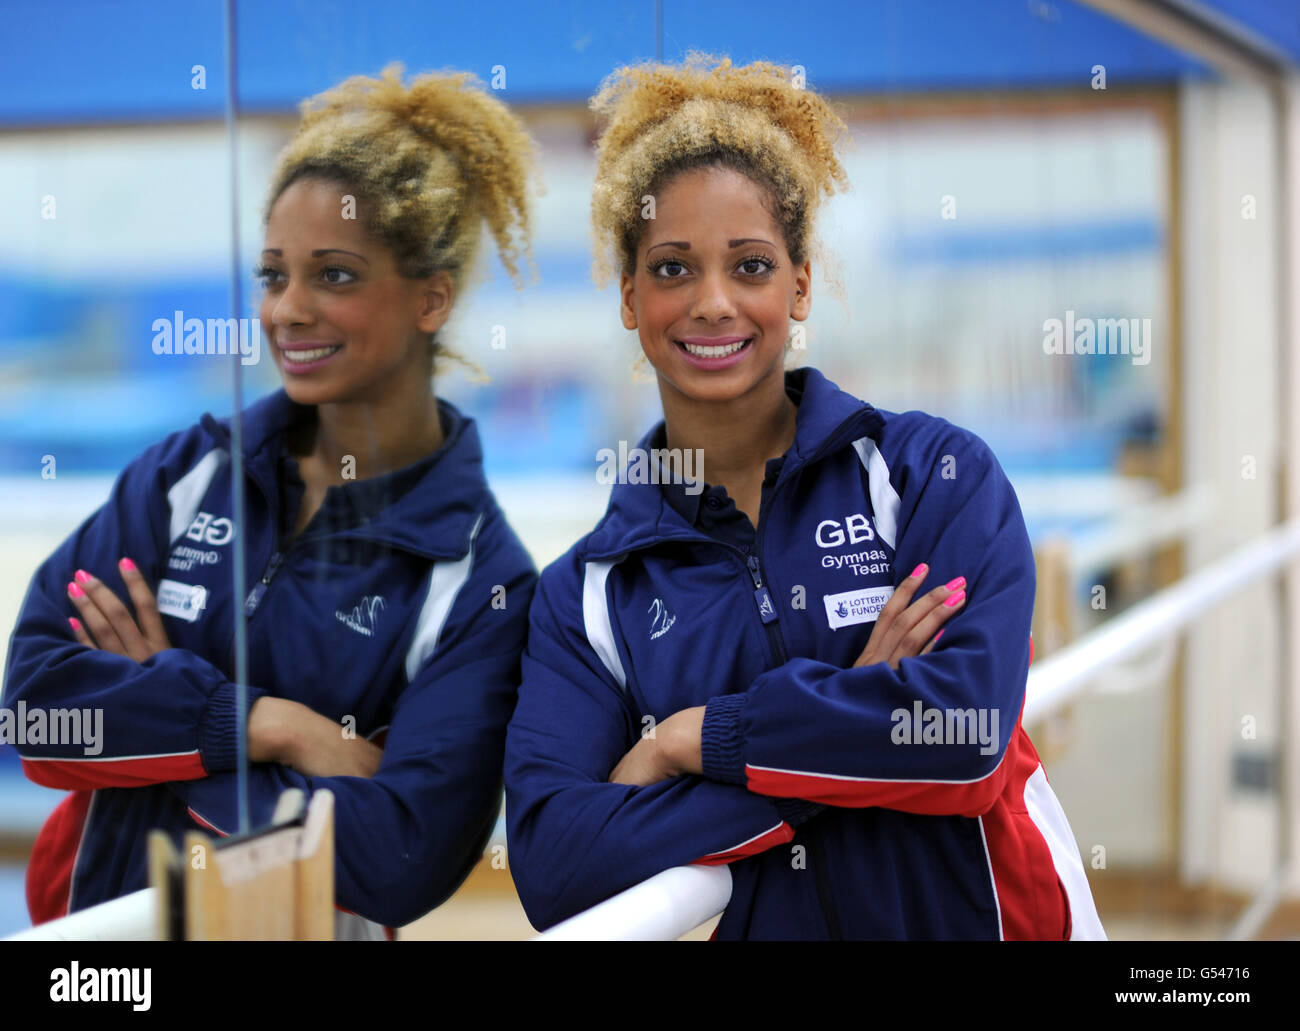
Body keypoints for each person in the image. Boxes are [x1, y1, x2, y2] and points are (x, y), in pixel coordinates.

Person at [504, 53, 1105, 940]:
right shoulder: (588, 596)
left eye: (749, 265)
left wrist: (692, 742)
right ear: (629, 296)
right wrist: (850, 709)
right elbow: (556, 865)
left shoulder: (930, 475)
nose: (713, 303)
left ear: (800, 284)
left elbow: (966, 739)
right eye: (672, 269)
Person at [3, 63, 540, 937]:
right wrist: (270, 726)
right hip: (106, 963)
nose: (287, 309)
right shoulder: (188, 474)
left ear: (430, 298)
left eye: (332, 276)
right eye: (273, 274)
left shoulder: (481, 581)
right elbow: (36, 709)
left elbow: (399, 856)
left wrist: (162, 721)